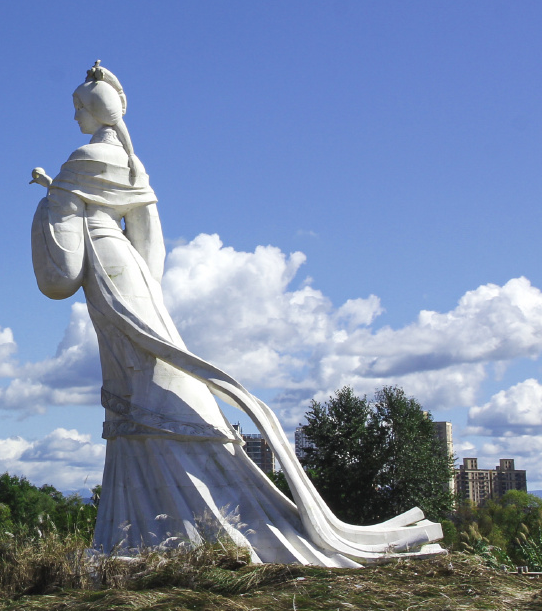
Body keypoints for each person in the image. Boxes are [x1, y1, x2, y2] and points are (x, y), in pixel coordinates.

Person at [30, 61, 442, 565]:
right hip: (129, 275)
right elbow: (152, 243)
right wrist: (143, 288)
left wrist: (49, 203)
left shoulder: (82, 161)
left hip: (110, 277)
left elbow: (60, 276)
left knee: (145, 390)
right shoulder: (133, 165)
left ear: (94, 110)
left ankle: (159, 533)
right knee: (142, 388)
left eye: (77, 107)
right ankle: (141, 533)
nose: (73, 116)